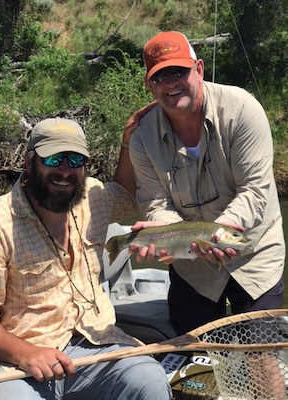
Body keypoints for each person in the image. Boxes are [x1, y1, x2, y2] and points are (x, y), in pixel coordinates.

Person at [0, 117, 172, 400]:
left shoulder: (92, 197)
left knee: (149, 380)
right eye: (53, 160)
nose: (64, 171)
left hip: (99, 346)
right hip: (21, 364)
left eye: (75, 161)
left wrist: (128, 141)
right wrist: (26, 354)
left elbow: (124, 193)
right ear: (28, 162)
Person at [126, 31, 286, 335]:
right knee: (196, 357)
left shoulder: (242, 111)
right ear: (150, 85)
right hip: (191, 268)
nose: (171, 82)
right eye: (161, 76)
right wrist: (167, 238)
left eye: (179, 71)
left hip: (253, 255)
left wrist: (216, 235)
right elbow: (156, 203)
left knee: (261, 355)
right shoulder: (142, 138)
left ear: (198, 69)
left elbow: (254, 190)